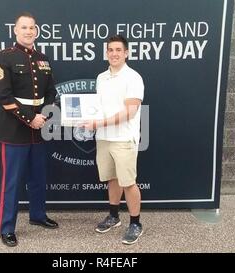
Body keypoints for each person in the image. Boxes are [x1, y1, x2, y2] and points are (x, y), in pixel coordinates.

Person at [0, 12, 58, 247]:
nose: (29, 31)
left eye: (32, 27)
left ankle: (38, 216)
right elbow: (4, 96)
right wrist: (30, 118)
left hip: (38, 128)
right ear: (15, 31)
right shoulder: (4, 57)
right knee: (12, 181)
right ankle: (6, 227)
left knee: (38, 178)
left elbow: (51, 91)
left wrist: (45, 114)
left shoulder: (43, 58)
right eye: (24, 27)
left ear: (36, 31)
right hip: (14, 129)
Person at [82, 35, 144, 245]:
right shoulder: (101, 77)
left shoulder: (133, 77)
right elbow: (98, 108)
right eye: (110, 50)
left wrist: (98, 123)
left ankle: (135, 223)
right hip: (104, 138)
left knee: (128, 182)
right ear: (106, 53)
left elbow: (130, 112)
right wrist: (88, 120)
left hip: (124, 138)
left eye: (118, 50)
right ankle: (114, 216)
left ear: (126, 53)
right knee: (112, 179)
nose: (114, 53)